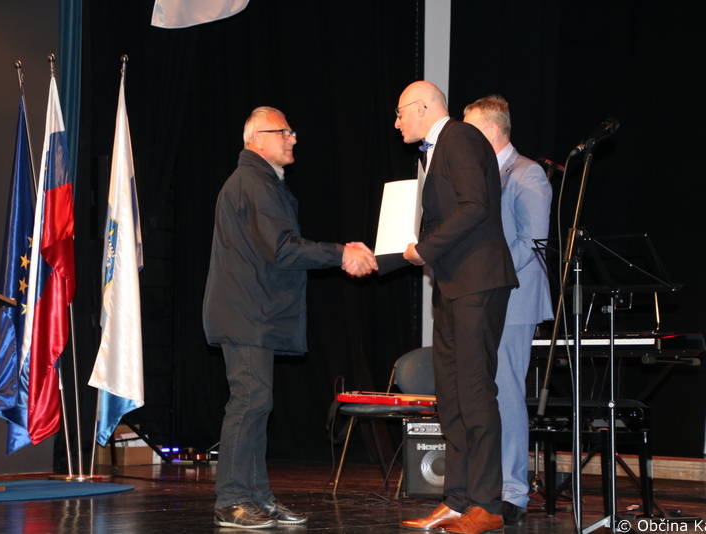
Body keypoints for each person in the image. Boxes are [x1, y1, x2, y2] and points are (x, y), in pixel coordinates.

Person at [202, 106, 377, 530]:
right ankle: (232, 501)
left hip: (251, 313)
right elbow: (281, 249)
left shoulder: (262, 182)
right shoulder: (253, 182)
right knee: (248, 403)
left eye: (292, 132)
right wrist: (341, 253)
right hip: (246, 314)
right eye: (284, 132)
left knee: (256, 404)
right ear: (257, 138)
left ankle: (257, 497)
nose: (293, 138)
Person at [397, 81, 518, 534]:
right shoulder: (436, 149)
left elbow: (475, 206)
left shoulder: (461, 136)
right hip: (452, 285)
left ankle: (487, 505)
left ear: (423, 108)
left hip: (476, 283)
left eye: (400, 113)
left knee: (473, 392)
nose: (397, 122)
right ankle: (458, 500)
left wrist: (425, 249)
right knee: (450, 396)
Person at [464, 95, 554, 525]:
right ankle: (486, 484)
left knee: (506, 391)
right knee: (487, 392)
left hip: (514, 299)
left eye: (470, 130)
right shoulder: (485, 175)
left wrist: (487, 275)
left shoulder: (526, 173)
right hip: (487, 296)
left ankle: (513, 489)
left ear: (491, 130)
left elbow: (533, 242)